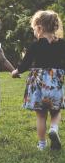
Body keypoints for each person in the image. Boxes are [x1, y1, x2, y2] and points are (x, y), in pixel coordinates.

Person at [12, 10, 65, 150]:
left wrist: (15, 71)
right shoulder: (62, 44)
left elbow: (25, 64)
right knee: (56, 111)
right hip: (55, 83)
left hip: (39, 85)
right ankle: (53, 128)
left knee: (41, 116)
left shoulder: (35, 45)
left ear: (40, 28)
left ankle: (41, 144)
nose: (34, 32)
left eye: (34, 29)